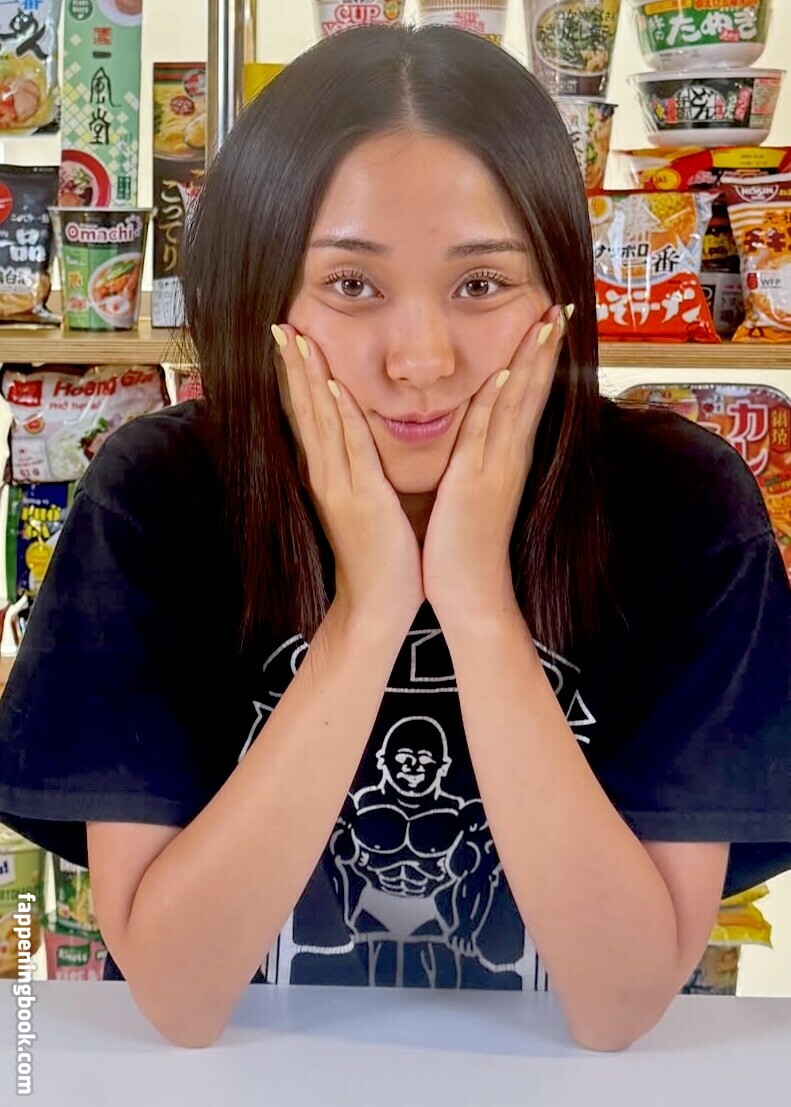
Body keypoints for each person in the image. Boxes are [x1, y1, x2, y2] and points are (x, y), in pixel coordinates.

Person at [0, 24, 788, 1051]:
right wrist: (369, 610)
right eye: (351, 285)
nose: (420, 360)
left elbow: (619, 1003)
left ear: (558, 296)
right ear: (264, 294)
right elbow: (179, 995)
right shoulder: (160, 494)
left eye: (480, 284)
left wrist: (475, 602)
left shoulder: (681, 503)